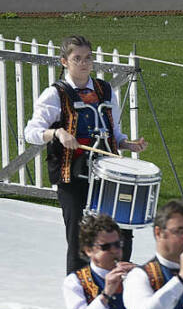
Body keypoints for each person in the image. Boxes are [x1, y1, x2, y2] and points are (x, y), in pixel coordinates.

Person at [23, 34, 146, 274]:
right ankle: (80, 295)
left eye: (88, 58)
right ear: (64, 62)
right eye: (77, 58)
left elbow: (113, 132)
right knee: (80, 241)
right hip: (73, 177)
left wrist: (127, 144)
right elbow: (31, 132)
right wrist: (57, 133)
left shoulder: (104, 89)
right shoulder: (55, 94)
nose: (84, 63)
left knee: (121, 234)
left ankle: (116, 290)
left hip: (106, 176)